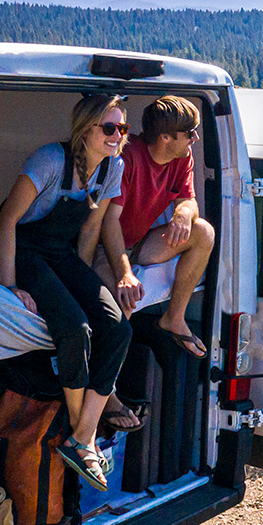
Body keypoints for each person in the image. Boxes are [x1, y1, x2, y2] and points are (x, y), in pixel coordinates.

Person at [0, 94, 138, 491]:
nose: (117, 136)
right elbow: (7, 222)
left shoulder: (114, 167)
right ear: (84, 129)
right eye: (108, 128)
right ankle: (82, 434)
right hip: (23, 248)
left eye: (122, 129)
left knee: (118, 328)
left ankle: (82, 435)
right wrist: (11, 287)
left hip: (59, 252)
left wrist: (84, 282)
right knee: (75, 328)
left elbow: (89, 231)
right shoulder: (50, 161)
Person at [101, 95, 215, 356]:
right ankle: (106, 393)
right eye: (190, 133)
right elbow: (109, 223)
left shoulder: (182, 157)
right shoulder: (128, 157)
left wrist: (183, 214)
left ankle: (174, 318)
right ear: (165, 137)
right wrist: (125, 275)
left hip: (138, 243)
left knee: (203, 232)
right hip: (105, 248)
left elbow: (189, 202)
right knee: (125, 303)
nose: (194, 138)